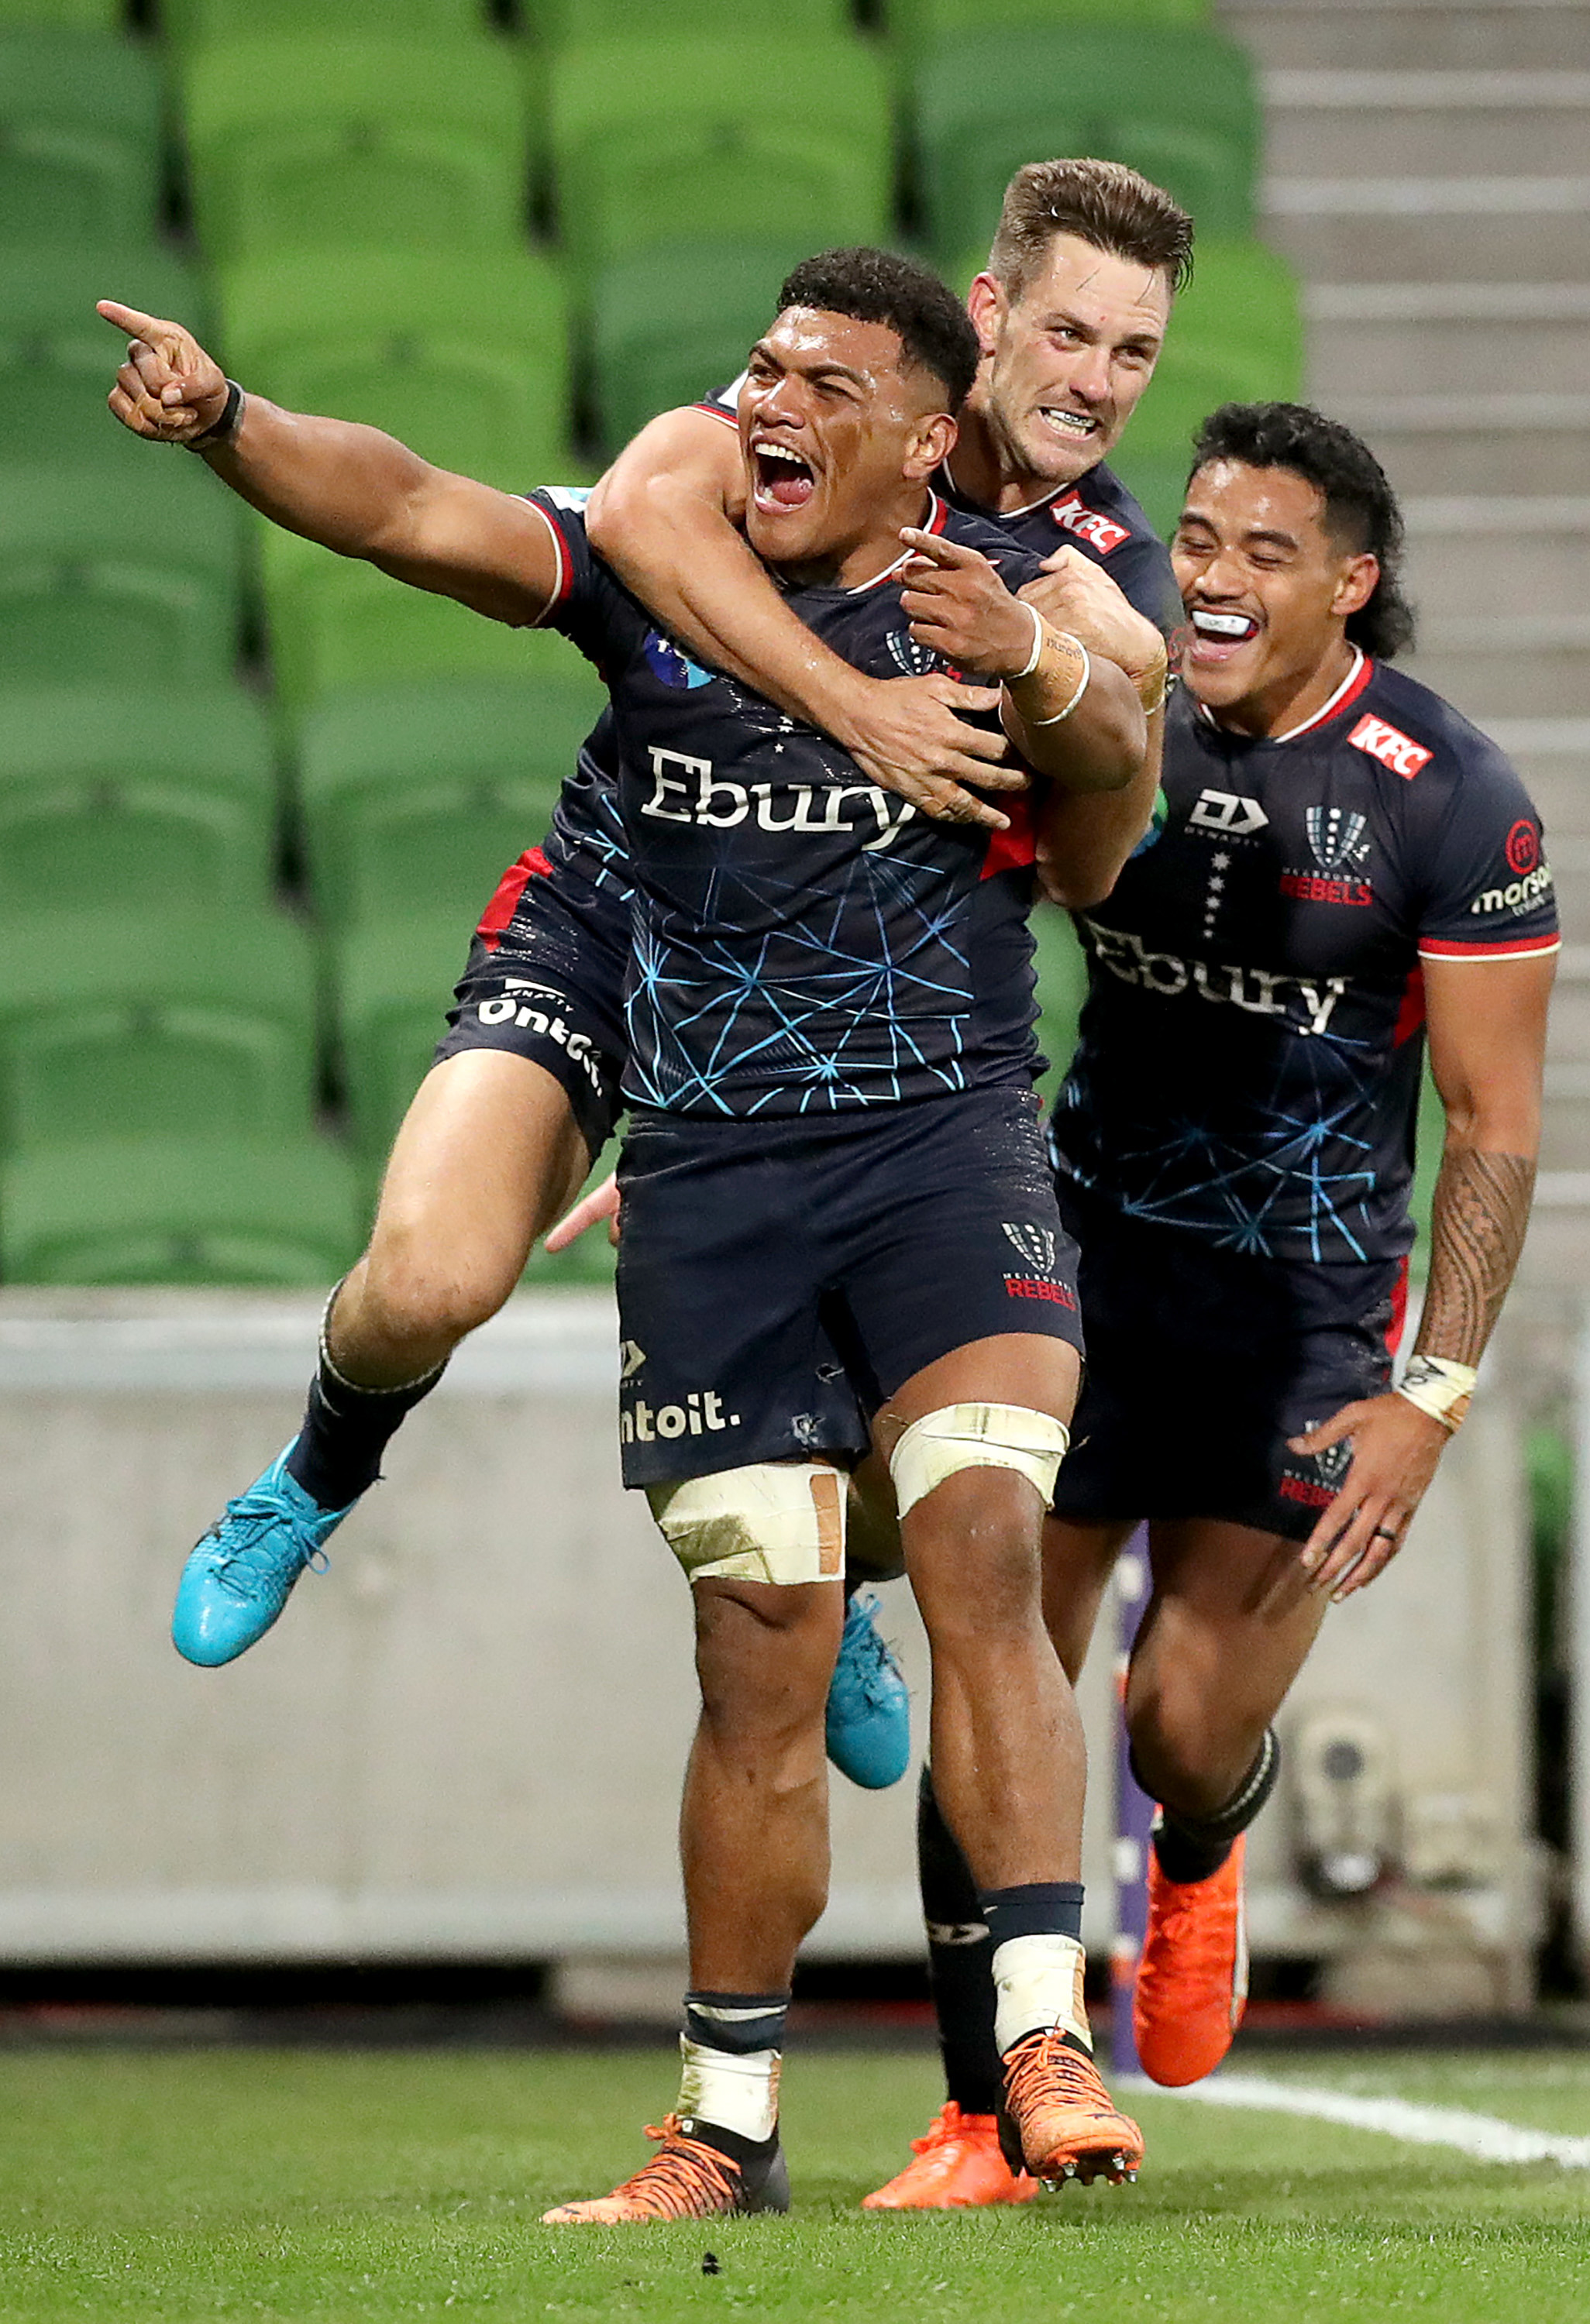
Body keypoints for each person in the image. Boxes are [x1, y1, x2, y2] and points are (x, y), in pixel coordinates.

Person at [102, 248, 1154, 2219]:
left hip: (915, 1114)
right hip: (643, 989)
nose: (766, 401)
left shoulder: (1041, 588)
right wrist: (233, 425)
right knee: (434, 1286)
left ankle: (1026, 2028)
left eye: (819, 383)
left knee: (978, 1540)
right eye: (760, 367)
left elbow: (1117, 806)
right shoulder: (676, 509)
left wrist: (1062, 680)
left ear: (937, 434)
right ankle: (325, 1468)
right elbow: (418, 506)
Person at [859, 401, 1557, 2205]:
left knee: (1177, 1721)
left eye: (1267, 550)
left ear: (1352, 581)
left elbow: (1492, 1124)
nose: (1221, 576)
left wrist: (1437, 1391)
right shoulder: (1104, 704)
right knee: (998, 1658)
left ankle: (1201, 1853)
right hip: (1075, 1264)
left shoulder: (1456, 797)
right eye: (1205, 537)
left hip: (1305, 1322)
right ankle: (979, 2106)